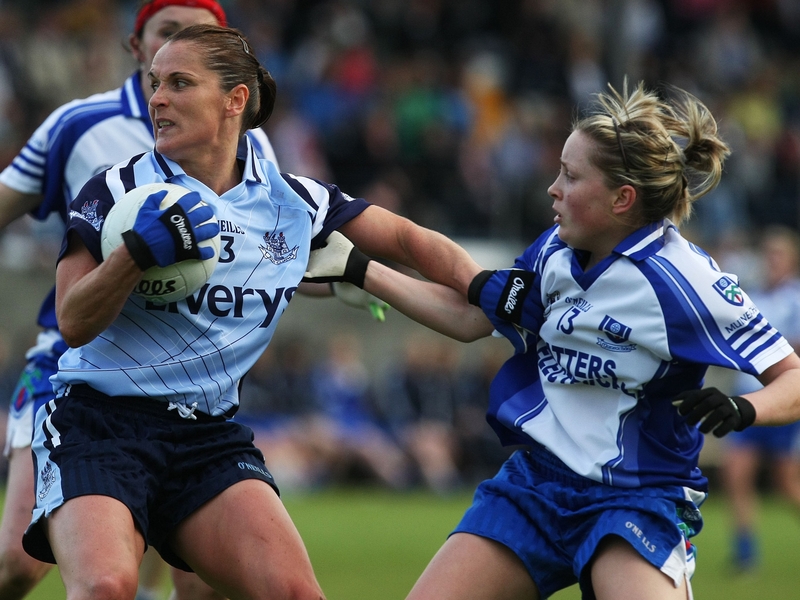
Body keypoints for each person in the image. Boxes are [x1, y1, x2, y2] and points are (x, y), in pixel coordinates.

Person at [22, 23, 480, 600]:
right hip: (99, 425)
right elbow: (74, 320)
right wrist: (134, 256)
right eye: (156, 83)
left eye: (180, 84)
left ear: (235, 100)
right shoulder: (116, 189)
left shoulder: (292, 202)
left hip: (206, 436)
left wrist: (484, 285)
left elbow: (411, 242)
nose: (157, 98)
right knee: (107, 588)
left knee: (296, 594)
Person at [304, 80, 800, 599]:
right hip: (534, 486)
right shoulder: (553, 252)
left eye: (570, 175)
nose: (552, 189)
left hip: (634, 499)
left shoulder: (684, 279)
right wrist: (359, 269)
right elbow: (473, 319)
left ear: (622, 199)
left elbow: (790, 377)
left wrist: (744, 408)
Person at [0, 2, 276, 599]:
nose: (180, 46)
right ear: (137, 47)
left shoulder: (252, 148)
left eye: (197, 39)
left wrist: (346, 276)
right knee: (20, 566)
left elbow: (262, 253)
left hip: (184, 378)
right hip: (73, 364)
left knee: (202, 583)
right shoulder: (78, 124)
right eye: (168, 35)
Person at [719, 225, 800, 572]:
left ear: (791, 260)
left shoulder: (795, 298)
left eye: (778, 254)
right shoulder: (751, 297)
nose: (772, 261)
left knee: (785, 483)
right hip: (746, 397)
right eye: (768, 254)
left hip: (780, 401)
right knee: (736, 473)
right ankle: (745, 552)